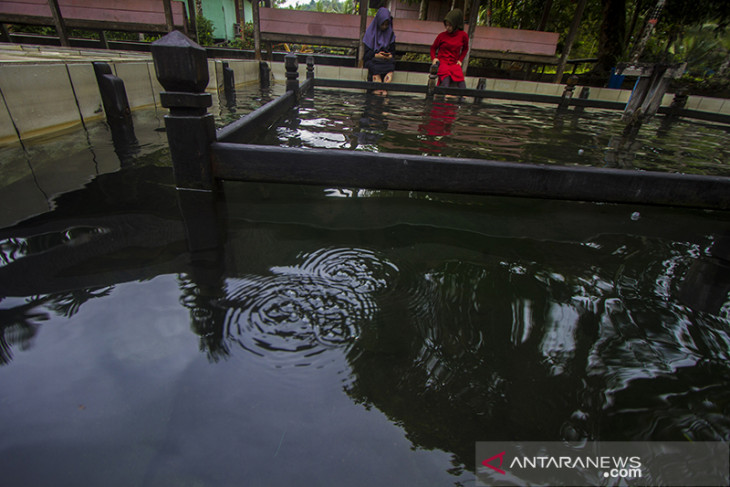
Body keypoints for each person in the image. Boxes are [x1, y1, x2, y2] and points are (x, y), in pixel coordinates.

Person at [430, 9, 469, 89]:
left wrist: (460, 60)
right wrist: (434, 58)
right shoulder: (442, 36)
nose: (448, 28)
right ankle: (443, 98)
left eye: (450, 25)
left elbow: (465, 49)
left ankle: (463, 98)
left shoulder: (463, 36)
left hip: (454, 63)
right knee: (446, 81)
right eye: (446, 25)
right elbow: (433, 48)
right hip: (443, 63)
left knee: (461, 82)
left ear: (455, 24)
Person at [362, 7, 396, 87]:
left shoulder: (390, 34)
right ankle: (378, 88)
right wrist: (377, 55)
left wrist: (388, 56)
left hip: (385, 62)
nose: (384, 27)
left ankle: (383, 89)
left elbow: (393, 53)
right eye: (382, 24)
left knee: (391, 66)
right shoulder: (370, 34)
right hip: (374, 61)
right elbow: (366, 55)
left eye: (386, 25)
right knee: (374, 69)